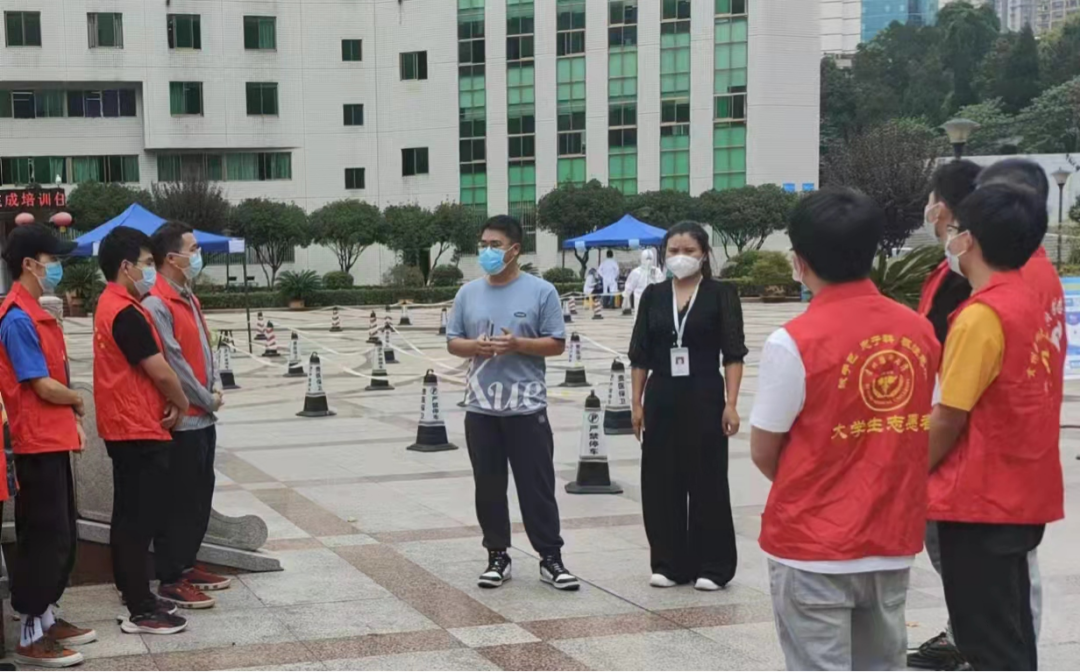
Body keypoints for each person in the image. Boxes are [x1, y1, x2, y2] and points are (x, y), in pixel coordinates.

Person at [749, 189, 941, 671]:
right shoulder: (919, 331)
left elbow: (764, 449)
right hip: (889, 539)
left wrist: (820, 484)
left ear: (799, 261)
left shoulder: (792, 342)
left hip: (811, 544)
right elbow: (930, 425)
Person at [911, 158, 1063, 670]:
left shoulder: (981, 316)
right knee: (1010, 635)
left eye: (956, 228)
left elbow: (949, 416)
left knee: (986, 641)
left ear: (968, 240)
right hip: (1019, 491)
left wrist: (910, 473)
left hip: (978, 498)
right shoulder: (1028, 300)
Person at [446, 215, 580, 592]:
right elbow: (453, 342)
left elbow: (556, 343)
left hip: (527, 407)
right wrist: (476, 347)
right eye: (483, 245)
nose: (487, 251)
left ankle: (550, 557)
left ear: (515, 249)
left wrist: (519, 344)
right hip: (480, 408)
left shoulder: (541, 292)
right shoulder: (468, 293)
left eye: (495, 245)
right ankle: (497, 556)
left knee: (536, 486)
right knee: (488, 486)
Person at [628, 221, 746, 591]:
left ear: (704, 254)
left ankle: (713, 565)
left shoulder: (720, 294)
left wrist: (731, 403)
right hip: (662, 393)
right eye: (674, 251)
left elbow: (733, 353)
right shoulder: (653, 295)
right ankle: (669, 562)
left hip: (705, 393)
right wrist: (636, 403)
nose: (680, 257)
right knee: (661, 479)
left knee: (708, 478)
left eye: (689, 251)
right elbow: (639, 354)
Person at [0, 225, 94, 668]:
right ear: (29, 265)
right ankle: (30, 631)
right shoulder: (18, 319)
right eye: (51, 259)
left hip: (51, 439)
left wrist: (72, 419)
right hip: (35, 444)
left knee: (61, 534)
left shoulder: (34, 313)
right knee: (43, 536)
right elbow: (39, 383)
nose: (56, 267)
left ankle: (47, 617)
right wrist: (77, 400)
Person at [94, 227, 191, 635]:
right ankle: (140, 607)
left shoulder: (113, 305)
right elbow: (160, 370)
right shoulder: (125, 313)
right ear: (125, 266)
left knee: (130, 517)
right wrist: (181, 401)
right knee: (137, 521)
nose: (151, 270)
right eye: (147, 264)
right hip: (136, 428)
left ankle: (135, 595)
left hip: (127, 425)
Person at [144, 222, 229, 610]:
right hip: (184, 420)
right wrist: (207, 399)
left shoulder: (188, 297)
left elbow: (204, 350)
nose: (198, 255)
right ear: (172, 258)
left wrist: (215, 388)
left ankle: (188, 563)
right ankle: (171, 576)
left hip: (204, 417)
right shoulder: (157, 303)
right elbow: (174, 363)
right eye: (192, 249)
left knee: (199, 495)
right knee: (178, 501)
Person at [622, 248, 664, 317]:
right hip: (639, 298)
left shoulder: (656, 271)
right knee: (639, 317)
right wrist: (626, 297)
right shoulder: (636, 272)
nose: (648, 261)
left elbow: (661, 285)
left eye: (650, 259)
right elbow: (629, 286)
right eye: (647, 259)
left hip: (653, 299)